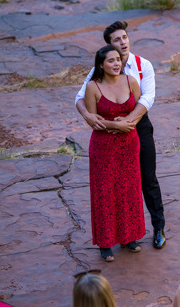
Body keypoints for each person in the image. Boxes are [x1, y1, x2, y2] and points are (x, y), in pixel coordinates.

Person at [75, 20, 166, 250]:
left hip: (138, 126)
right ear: (109, 45)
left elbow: (148, 98)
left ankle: (158, 228)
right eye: (117, 40)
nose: (122, 42)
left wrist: (128, 122)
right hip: (108, 131)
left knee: (147, 178)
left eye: (124, 37)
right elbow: (80, 96)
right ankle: (114, 237)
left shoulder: (142, 65)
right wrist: (87, 115)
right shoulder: (101, 66)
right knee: (112, 184)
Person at [84, 45, 145, 262]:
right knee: (105, 192)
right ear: (101, 65)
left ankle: (130, 237)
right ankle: (105, 243)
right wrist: (114, 125)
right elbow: (94, 121)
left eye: (118, 59)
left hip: (129, 144)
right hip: (103, 147)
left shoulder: (131, 82)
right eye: (110, 60)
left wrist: (127, 121)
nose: (116, 63)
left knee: (129, 189)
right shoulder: (93, 87)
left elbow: (139, 108)